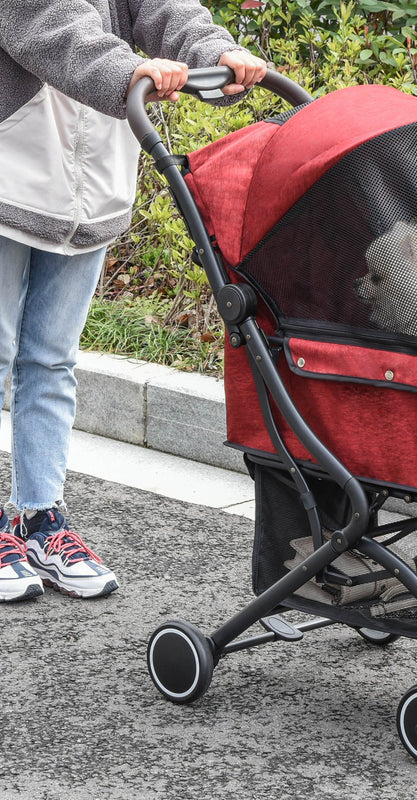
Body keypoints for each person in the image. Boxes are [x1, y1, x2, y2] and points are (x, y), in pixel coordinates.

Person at [0, 1, 267, 601]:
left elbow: (164, 8)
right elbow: (49, 27)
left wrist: (214, 53)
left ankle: (37, 518)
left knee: (51, 362)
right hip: (10, 173)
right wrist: (132, 73)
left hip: (89, 186)